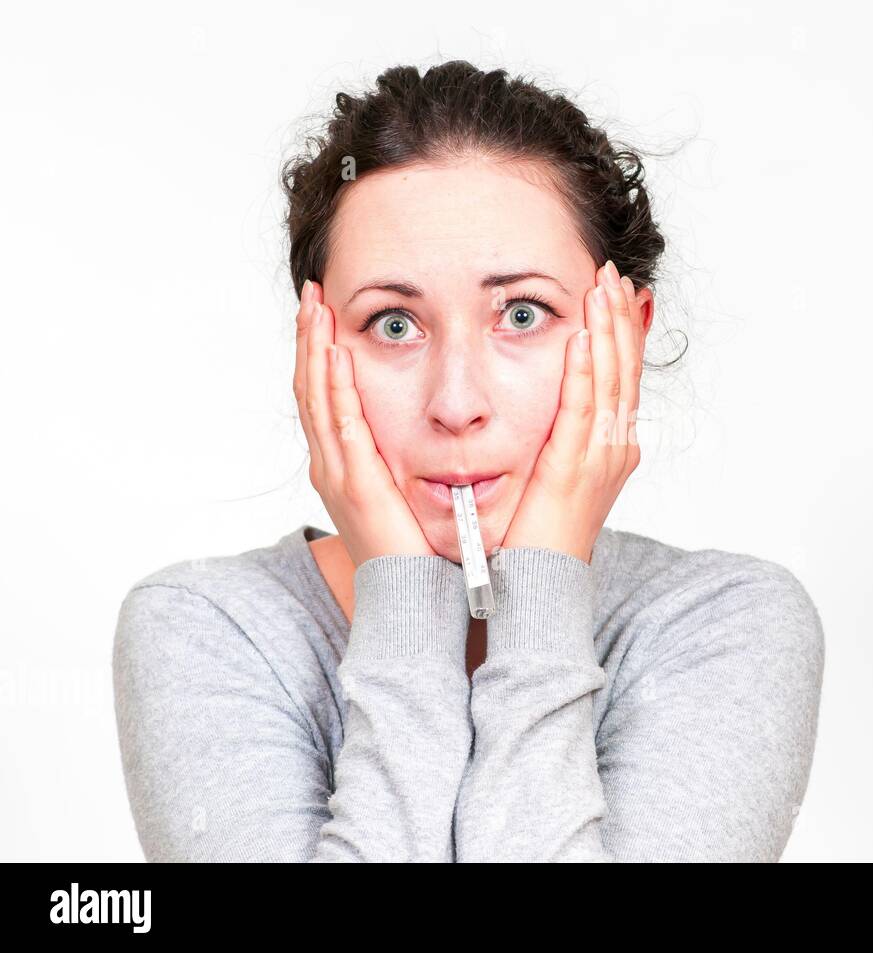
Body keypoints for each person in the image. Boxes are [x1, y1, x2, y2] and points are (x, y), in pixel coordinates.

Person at [111, 60, 825, 862]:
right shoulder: (208, 626)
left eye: (522, 313)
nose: (455, 402)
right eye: (392, 323)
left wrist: (542, 577)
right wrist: (407, 603)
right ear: (316, 348)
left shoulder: (722, 621)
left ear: (630, 330)